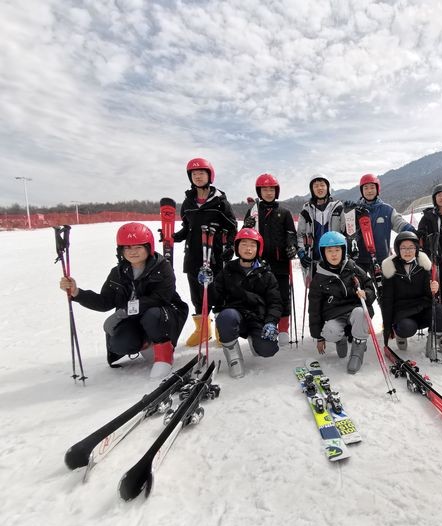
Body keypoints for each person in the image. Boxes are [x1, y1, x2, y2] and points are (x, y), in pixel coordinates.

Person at [59, 223, 189, 379]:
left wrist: (124, 311)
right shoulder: (118, 273)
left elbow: (160, 298)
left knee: (151, 315)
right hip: (133, 318)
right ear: (121, 250)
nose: (133, 252)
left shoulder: (163, 267)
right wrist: (77, 292)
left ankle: (164, 354)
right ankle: (148, 345)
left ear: (149, 247)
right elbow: (105, 301)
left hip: (164, 313)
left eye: (138, 247)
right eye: (127, 248)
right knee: (119, 344)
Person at [173, 157, 238, 346]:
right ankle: (202, 329)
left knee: (217, 292)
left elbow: (232, 228)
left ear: (210, 175)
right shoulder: (188, 202)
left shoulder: (220, 202)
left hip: (215, 255)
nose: (198, 176)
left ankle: (220, 328)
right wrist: (175, 237)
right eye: (194, 174)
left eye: (201, 173)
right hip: (193, 256)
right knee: (197, 295)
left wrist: (231, 247)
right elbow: (187, 228)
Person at [212, 228, 282, 378]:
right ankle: (234, 358)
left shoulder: (267, 274)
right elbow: (215, 297)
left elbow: (275, 302)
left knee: (268, 349)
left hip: (258, 319)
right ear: (237, 247)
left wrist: (271, 322)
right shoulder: (227, 270)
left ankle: (255, 341)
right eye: (244, 244)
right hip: (235, 316)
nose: (248, 249)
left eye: (252, 245)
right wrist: (206, 284)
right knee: (226, 317)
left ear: (258, 249)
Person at [308, 231, 376, 374]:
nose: (334, 254)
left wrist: (366, 294)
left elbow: (369, 286)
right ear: (323, 253)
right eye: (330, 251)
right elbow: (314, 309)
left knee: (360, 313)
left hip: (354, 310)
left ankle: (357, 351)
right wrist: (319, 337)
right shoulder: (319, 278)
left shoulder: (353, 268)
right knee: (330, 332)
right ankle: (341, 338)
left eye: (337, 250)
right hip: (334, 315)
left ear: (343, 250)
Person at [243, 173, 298, 345]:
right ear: (259, 191)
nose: (268, 192)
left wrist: (291, 247)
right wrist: (247, 226)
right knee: (260, 296)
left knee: (282, 296)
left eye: (271, 189)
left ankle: (283, 329)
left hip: (279, 262)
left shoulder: (284, 212)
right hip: (259, 263)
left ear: (276, 191)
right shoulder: (253, 212)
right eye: (264, 189)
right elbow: (245, 237)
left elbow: (291, 234)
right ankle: (261, 327)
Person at [380, 231, 442, 359]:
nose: (407, 251)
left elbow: (429, 296)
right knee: (407, 327)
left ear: (416, 248)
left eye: (411, 247)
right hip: (403, 313)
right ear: (397, 249)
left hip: (421, 308)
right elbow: (387, 300)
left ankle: (433, 343)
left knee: (440, 311)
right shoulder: (391, 269)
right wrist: (387, 328)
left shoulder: (423, 266)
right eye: (403, 248)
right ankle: (401, 334)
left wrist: (434, 288)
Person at [354, 173, 416, 272]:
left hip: (382, 260)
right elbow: (347, 231)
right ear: (362, 191)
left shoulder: (387, 210)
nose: (369, 191)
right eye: (365, 188)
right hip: (361, 261)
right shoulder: (356, 211)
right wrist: (347, 213)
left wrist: (413, 232)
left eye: (372, 187)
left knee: (384, 287)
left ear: (377, 189)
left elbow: (399, 223)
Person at [296, 174, 347, 274]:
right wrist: (301, 252)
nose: (319, 188)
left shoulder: (338, 208)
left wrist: (350, 214)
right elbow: (300, 235)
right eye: (316, 186)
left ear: (328, 188)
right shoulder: (306, 211)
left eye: (322, 185)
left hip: (335, 260)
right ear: (312, 190)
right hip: (313, 261)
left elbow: (346, 232)